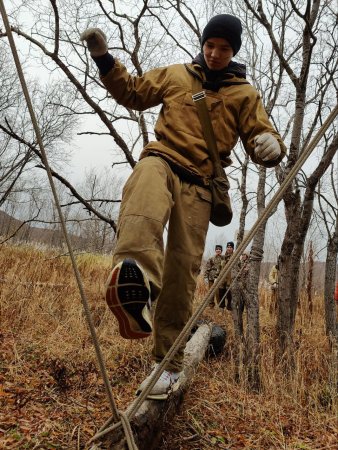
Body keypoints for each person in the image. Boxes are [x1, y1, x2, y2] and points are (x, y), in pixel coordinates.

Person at [80, 14, 286, 398]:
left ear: (234, 52)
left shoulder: (244, 94)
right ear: (203, 43)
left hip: (201, 184)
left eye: (224, 49)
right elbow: (133, 92)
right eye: (210, 45)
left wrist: (271, 147)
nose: (215, 53)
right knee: (143, 201)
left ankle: (167, 364)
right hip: (163, 157)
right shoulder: (176, 75)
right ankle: (135, 280)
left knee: (182, 271)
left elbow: (261, 134)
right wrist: (104, 57)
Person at [219, 241, 235, 309]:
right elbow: (220, 267)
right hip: (222, 279)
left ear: (233, 248)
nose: (229, 248)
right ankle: (221, 308)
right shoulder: (223, 257)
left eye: (230, 247)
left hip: (230, 279)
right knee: (221, 294)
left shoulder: (235, 256)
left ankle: (229, 309)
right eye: (228, 247)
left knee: (229, 295)